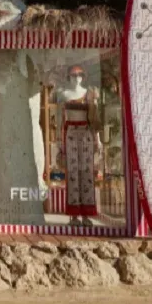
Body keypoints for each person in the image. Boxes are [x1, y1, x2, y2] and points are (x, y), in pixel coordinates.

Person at [56, 66, 102, 226]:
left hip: (86, 133)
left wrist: (98, 140)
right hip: (70, 134)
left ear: (83, 77)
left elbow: (94, 119)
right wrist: (59, 141)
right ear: (69, 77)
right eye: (73, 75)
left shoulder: (89, 94)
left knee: (87, 172)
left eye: (79, 75)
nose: (77, 78)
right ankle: (74, 215)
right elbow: (60, 120)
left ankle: (86, 215)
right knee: (72, 172)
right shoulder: (64, 95)